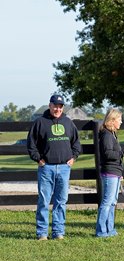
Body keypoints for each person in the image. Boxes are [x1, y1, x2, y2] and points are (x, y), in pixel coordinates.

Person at [27, 94, 81, 240]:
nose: (57, 109)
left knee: (61, 201)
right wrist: (38, 159)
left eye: (60, 106)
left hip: (64, 168)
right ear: (49, 105)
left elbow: (76, 143)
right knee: (44, 201)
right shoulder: (40, 122)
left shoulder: (68, 123)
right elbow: (31, 144)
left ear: (63, 107)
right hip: (46, 168)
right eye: (55, 106)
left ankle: (58, 232)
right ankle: (42, 233)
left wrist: (73, 157)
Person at [96, 108, 124, 237]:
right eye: (119, 119)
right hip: (110, 173)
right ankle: (101, 231)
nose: (121, 122)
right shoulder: (106, 135)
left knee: (112, 202)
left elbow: (113, 154)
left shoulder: (112, 134)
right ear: (112, 121)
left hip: (115, 172)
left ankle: (110, 229)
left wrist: (120, 171)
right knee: (107, 202)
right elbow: (108, 154)